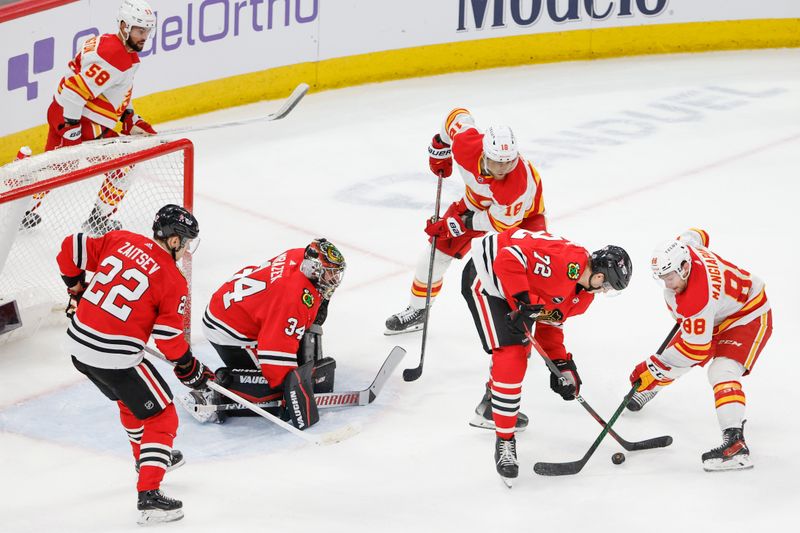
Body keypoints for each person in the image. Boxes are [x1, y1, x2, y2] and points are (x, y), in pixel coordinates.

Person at [56, 204, 213, 525]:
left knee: (131, 402)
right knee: (163, 415)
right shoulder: (173, 279)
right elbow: (169, 340)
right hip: (114, 357)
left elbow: (69, 248)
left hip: (77, 345)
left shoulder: (121, 239)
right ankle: (150, 497)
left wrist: (76, 289)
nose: (185, 250)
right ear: (172, 241)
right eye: (184, 242)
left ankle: (148, 459)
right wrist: (191, 370)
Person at [461, 228, 632, 486]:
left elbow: (550, 323)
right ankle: (504, 440)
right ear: (599, 276)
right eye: (607, 286)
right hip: (488, 277)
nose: (604, 291)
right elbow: (508, 258)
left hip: (516, 288)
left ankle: (491, 405)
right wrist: (521, 303)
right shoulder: (567, 262)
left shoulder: (582, 296)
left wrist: (562, 364)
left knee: (520, 346)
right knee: (512, 353)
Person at [384, 107, 546, 335]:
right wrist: (440, 146)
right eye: (497, 162)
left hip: (524, 217)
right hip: (477, 203)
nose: (502, 169)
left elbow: (500, 223)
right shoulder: (467, 144)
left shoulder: (516, 185)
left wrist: (460, 224)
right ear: (484, 152)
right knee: (436, 252)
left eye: (508, 162)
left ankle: (523, 326)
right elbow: (456, 116)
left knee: (518, 269)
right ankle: (418, 310)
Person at [628, 229, 772, 472]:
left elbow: (694, 351)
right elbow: (698, 234)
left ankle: (735, 444)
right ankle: (652, 387)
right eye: (662, 277)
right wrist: (657, 369)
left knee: (721, 370)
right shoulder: (684, 247)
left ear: (685, 267)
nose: (667, 283)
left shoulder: (697, 299)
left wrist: (651, 368)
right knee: (673, 355)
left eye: (670, 276)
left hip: (748, 314)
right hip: (719, 311)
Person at [22, 0, 158, 235]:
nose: (144, 36)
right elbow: (75, 91)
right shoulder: (114, 56)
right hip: (79, 119)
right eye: (139, 30)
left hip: (63, 111)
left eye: (147, 30)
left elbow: (113, 90)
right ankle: (100, 219)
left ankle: (19, 210)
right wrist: (72, 129)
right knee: (124, 165)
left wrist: (129, 116)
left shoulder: (113, 45)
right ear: (124, 26)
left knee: (56, 167)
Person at [181, 238, 346, 429]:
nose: (333, 280)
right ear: (313, 269)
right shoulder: (291, 298)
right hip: (229, 330)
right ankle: (211, 395)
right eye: (329, 274)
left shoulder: (300, 255)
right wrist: (290, 388)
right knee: (274, 390)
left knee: (298, 336)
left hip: (239, 306)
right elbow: (274, 353)